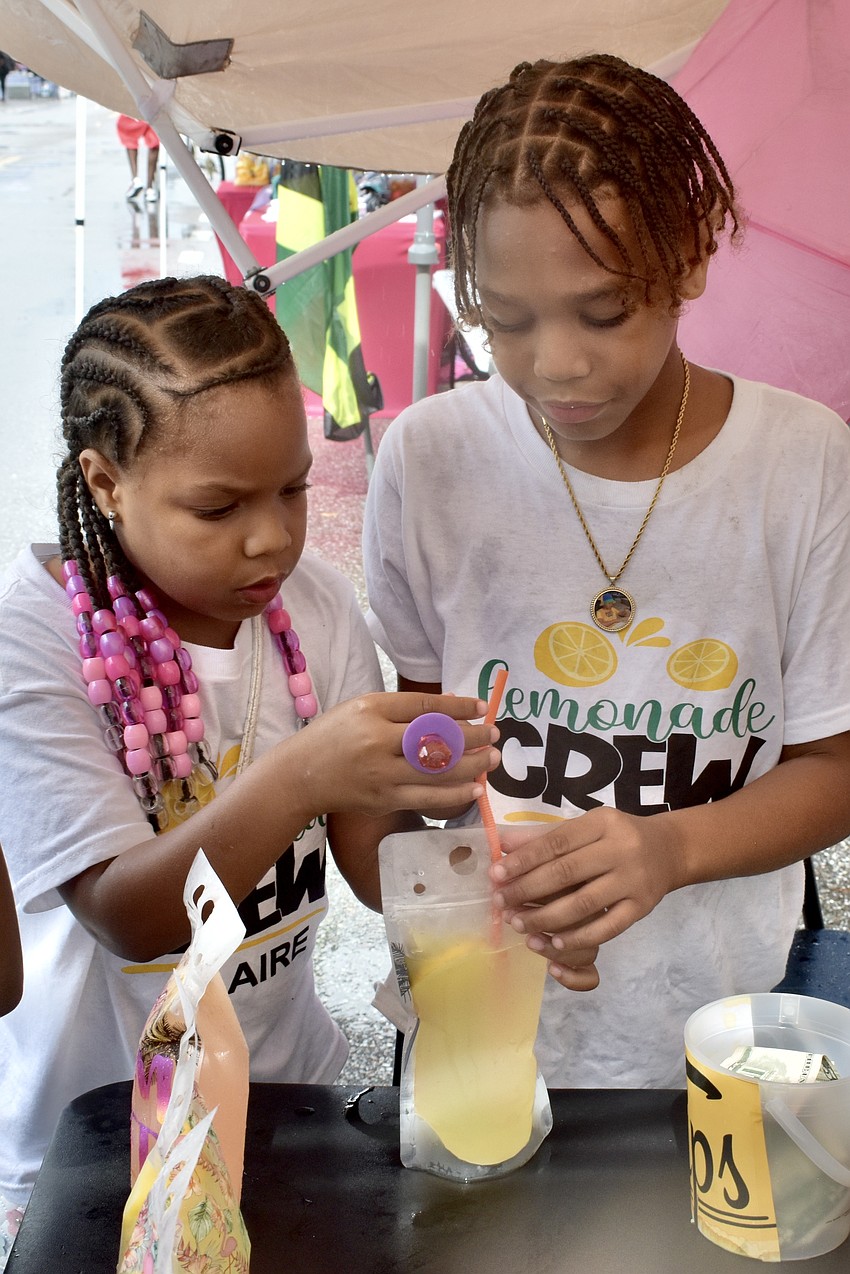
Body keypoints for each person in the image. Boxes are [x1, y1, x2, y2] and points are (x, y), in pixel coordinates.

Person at [363, 54, 850, 1090]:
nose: (555, 366)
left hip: (720, 1032)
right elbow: (415, 754)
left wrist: (667, 849)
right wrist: (461, 888)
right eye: (505, 318)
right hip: (485, 1036)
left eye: (601, 312)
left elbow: (833, 770)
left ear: (686, 262)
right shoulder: (428, 459)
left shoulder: (802, 460)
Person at [0, 274, 499, 1258]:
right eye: (219, 504)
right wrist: (310, 769)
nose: (270, 534)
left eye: (293, 487)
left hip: (283, 1100)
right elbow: (126, 912)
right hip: (108, 1137)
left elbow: (370, 857)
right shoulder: (37, 639)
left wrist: (469, 854)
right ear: (104, 481)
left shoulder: (309, 606)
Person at [117, 113, 160, 203]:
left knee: (128, 132)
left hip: (137, 104)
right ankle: (149, 188)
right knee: (154, 141)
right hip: (154, 106)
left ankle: (135, 179)